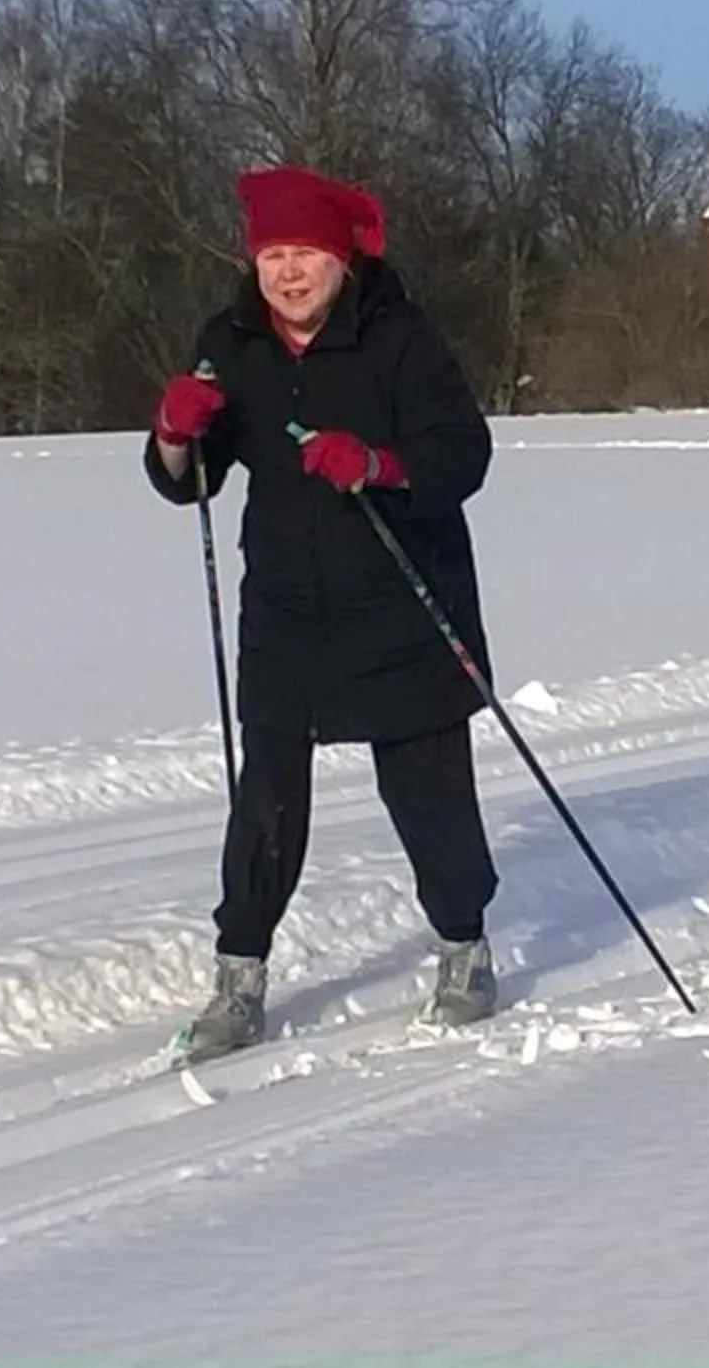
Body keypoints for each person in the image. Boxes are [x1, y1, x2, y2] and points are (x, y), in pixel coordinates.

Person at [144, 162, 502, 1059]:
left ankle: (464, 950)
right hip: (286, 613)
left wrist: (379, 466)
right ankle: (239, 978)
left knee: (427, 796)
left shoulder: (400, 338)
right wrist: (175, 433)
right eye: (273, 255)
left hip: (400, 606)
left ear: (342, 261)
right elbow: (184, 483)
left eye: (304, 253)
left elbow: (463, 454)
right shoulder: (230, 340)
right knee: (264, 804)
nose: (288, 272)